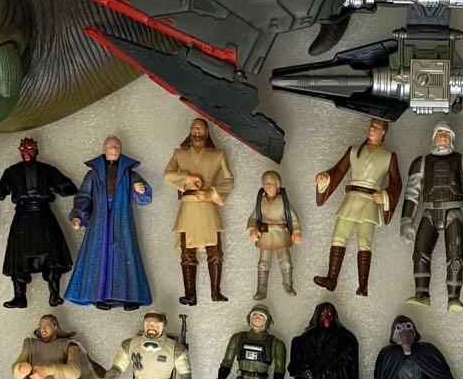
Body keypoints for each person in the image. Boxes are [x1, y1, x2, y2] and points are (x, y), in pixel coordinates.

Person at [400, 123, 463, 312]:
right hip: (429, 211)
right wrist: (407, 220)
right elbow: (412, 193)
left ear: (452, 139)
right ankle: (421, 293)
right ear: (433, 138)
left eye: (446, 134)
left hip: (453, 212)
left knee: (455, 258)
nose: (442, 137)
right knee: (420, 254)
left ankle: (454, 298)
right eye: (439, 133)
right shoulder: (421, 163)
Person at [313, 117, 402, 295]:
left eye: (376, 127)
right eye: (371, 126)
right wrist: (326, 178)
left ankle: (363, 285)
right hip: (351, 199)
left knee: (364, 242)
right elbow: (339, 170)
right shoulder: (354, 151)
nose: (372, 129)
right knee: (338, 237)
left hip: (370, 202)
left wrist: (385, 195)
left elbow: (396, 182)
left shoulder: (388, 156)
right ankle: (332, 278)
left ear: (384, 131)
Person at [64, 135, 153, 309]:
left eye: (116, 146)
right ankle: (98, 296)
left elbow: (144, 198)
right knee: (98, 254)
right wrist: (78, 216)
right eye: (110, 146)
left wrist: (140, 190)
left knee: (125, 253)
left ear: (121, 150)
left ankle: (129, 297)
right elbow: (84, 197)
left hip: (122, 217)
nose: (113, 148)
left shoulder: (129, 174)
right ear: (103, 150)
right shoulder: (93, 174)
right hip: (99, 219)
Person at [0, 138, 76, 308]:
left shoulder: (47, 170)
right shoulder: (13, 171)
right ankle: (19, 296)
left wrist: (55, 188)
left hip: (43, 213)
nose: (26, 153)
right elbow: (2, 194)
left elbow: (70, 188)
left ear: (36, 150)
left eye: (29, 149)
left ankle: (54, 294)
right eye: (23, 150)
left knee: (52, 256)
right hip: (22, 215)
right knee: (18, 257)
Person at [164, 117, 234, 304]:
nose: (196, 131)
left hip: (208, 206)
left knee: (215, 252)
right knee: (187, 252)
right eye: (193, 128)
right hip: (188, 207)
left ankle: (216, 291)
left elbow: (229, 181)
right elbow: (167, 175)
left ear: (207, 132)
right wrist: (187, 178)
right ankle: (190, 294)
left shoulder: (218, 155)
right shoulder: (179, 154)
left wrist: (213, 193)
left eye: (200, 128)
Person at [247, 169, 301, 299]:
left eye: (271, 182)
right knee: (263, 263)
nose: (267, 185)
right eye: (265, 182)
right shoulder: (261, 201)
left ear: (278, 185)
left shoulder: (284, 201)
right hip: (265, 234)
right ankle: (261, 290)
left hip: (281, 234)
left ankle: (288, 286)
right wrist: (252, 229)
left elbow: (293, 217)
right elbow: (253, 217)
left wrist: (297, 232)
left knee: (286, 262)